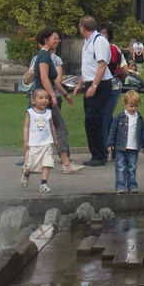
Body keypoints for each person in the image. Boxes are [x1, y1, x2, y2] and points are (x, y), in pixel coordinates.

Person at [30, 28, 83, 175]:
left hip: (43, 97)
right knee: (59, 129)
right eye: (55, 38)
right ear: (46, 40)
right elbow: (44, 78)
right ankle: (66, 163)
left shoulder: (47, 56)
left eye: (58, 39)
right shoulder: (44, 56)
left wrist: (65, 94)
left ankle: (33, 163)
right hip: (43, 99)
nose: (57, 41)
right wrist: (52, 96)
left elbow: (54, 79)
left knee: (43, 130)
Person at [72, 16, 114, 168]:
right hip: (90, 81)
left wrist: (94, 86)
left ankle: (100, 154)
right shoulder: (88, 43)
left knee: (93, 118)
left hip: (100, 84)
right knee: (90, 120)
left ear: (83, 27)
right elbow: (89, 67)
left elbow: (102, 65)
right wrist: (81, 84)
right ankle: (95, 153)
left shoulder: (99, 41)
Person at [106, 89, 144, 193]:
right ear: (125, 104)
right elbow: (113, 130)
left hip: (134, 147)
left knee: (132, 167)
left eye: (136, 106)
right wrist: (110, 143)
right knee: (120, 167)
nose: (133, 108)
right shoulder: (120, 117)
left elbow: (143, 132)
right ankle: (120, 186)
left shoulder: (139, 118)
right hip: (120, 147)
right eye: (131, 106)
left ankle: (132, 185)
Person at [21, 88, 57, 194]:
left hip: (46, 143)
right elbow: (26, 127)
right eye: (40, 98)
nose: (44, 100)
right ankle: (26, 173)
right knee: (31, 166)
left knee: (47, 163)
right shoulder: (30, 113)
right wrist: (25, 141)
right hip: (34, 143)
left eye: (46, 98)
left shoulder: (48, 113)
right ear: (33, 101)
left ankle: (43, 183)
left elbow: (52, 126)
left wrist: (55, 139)